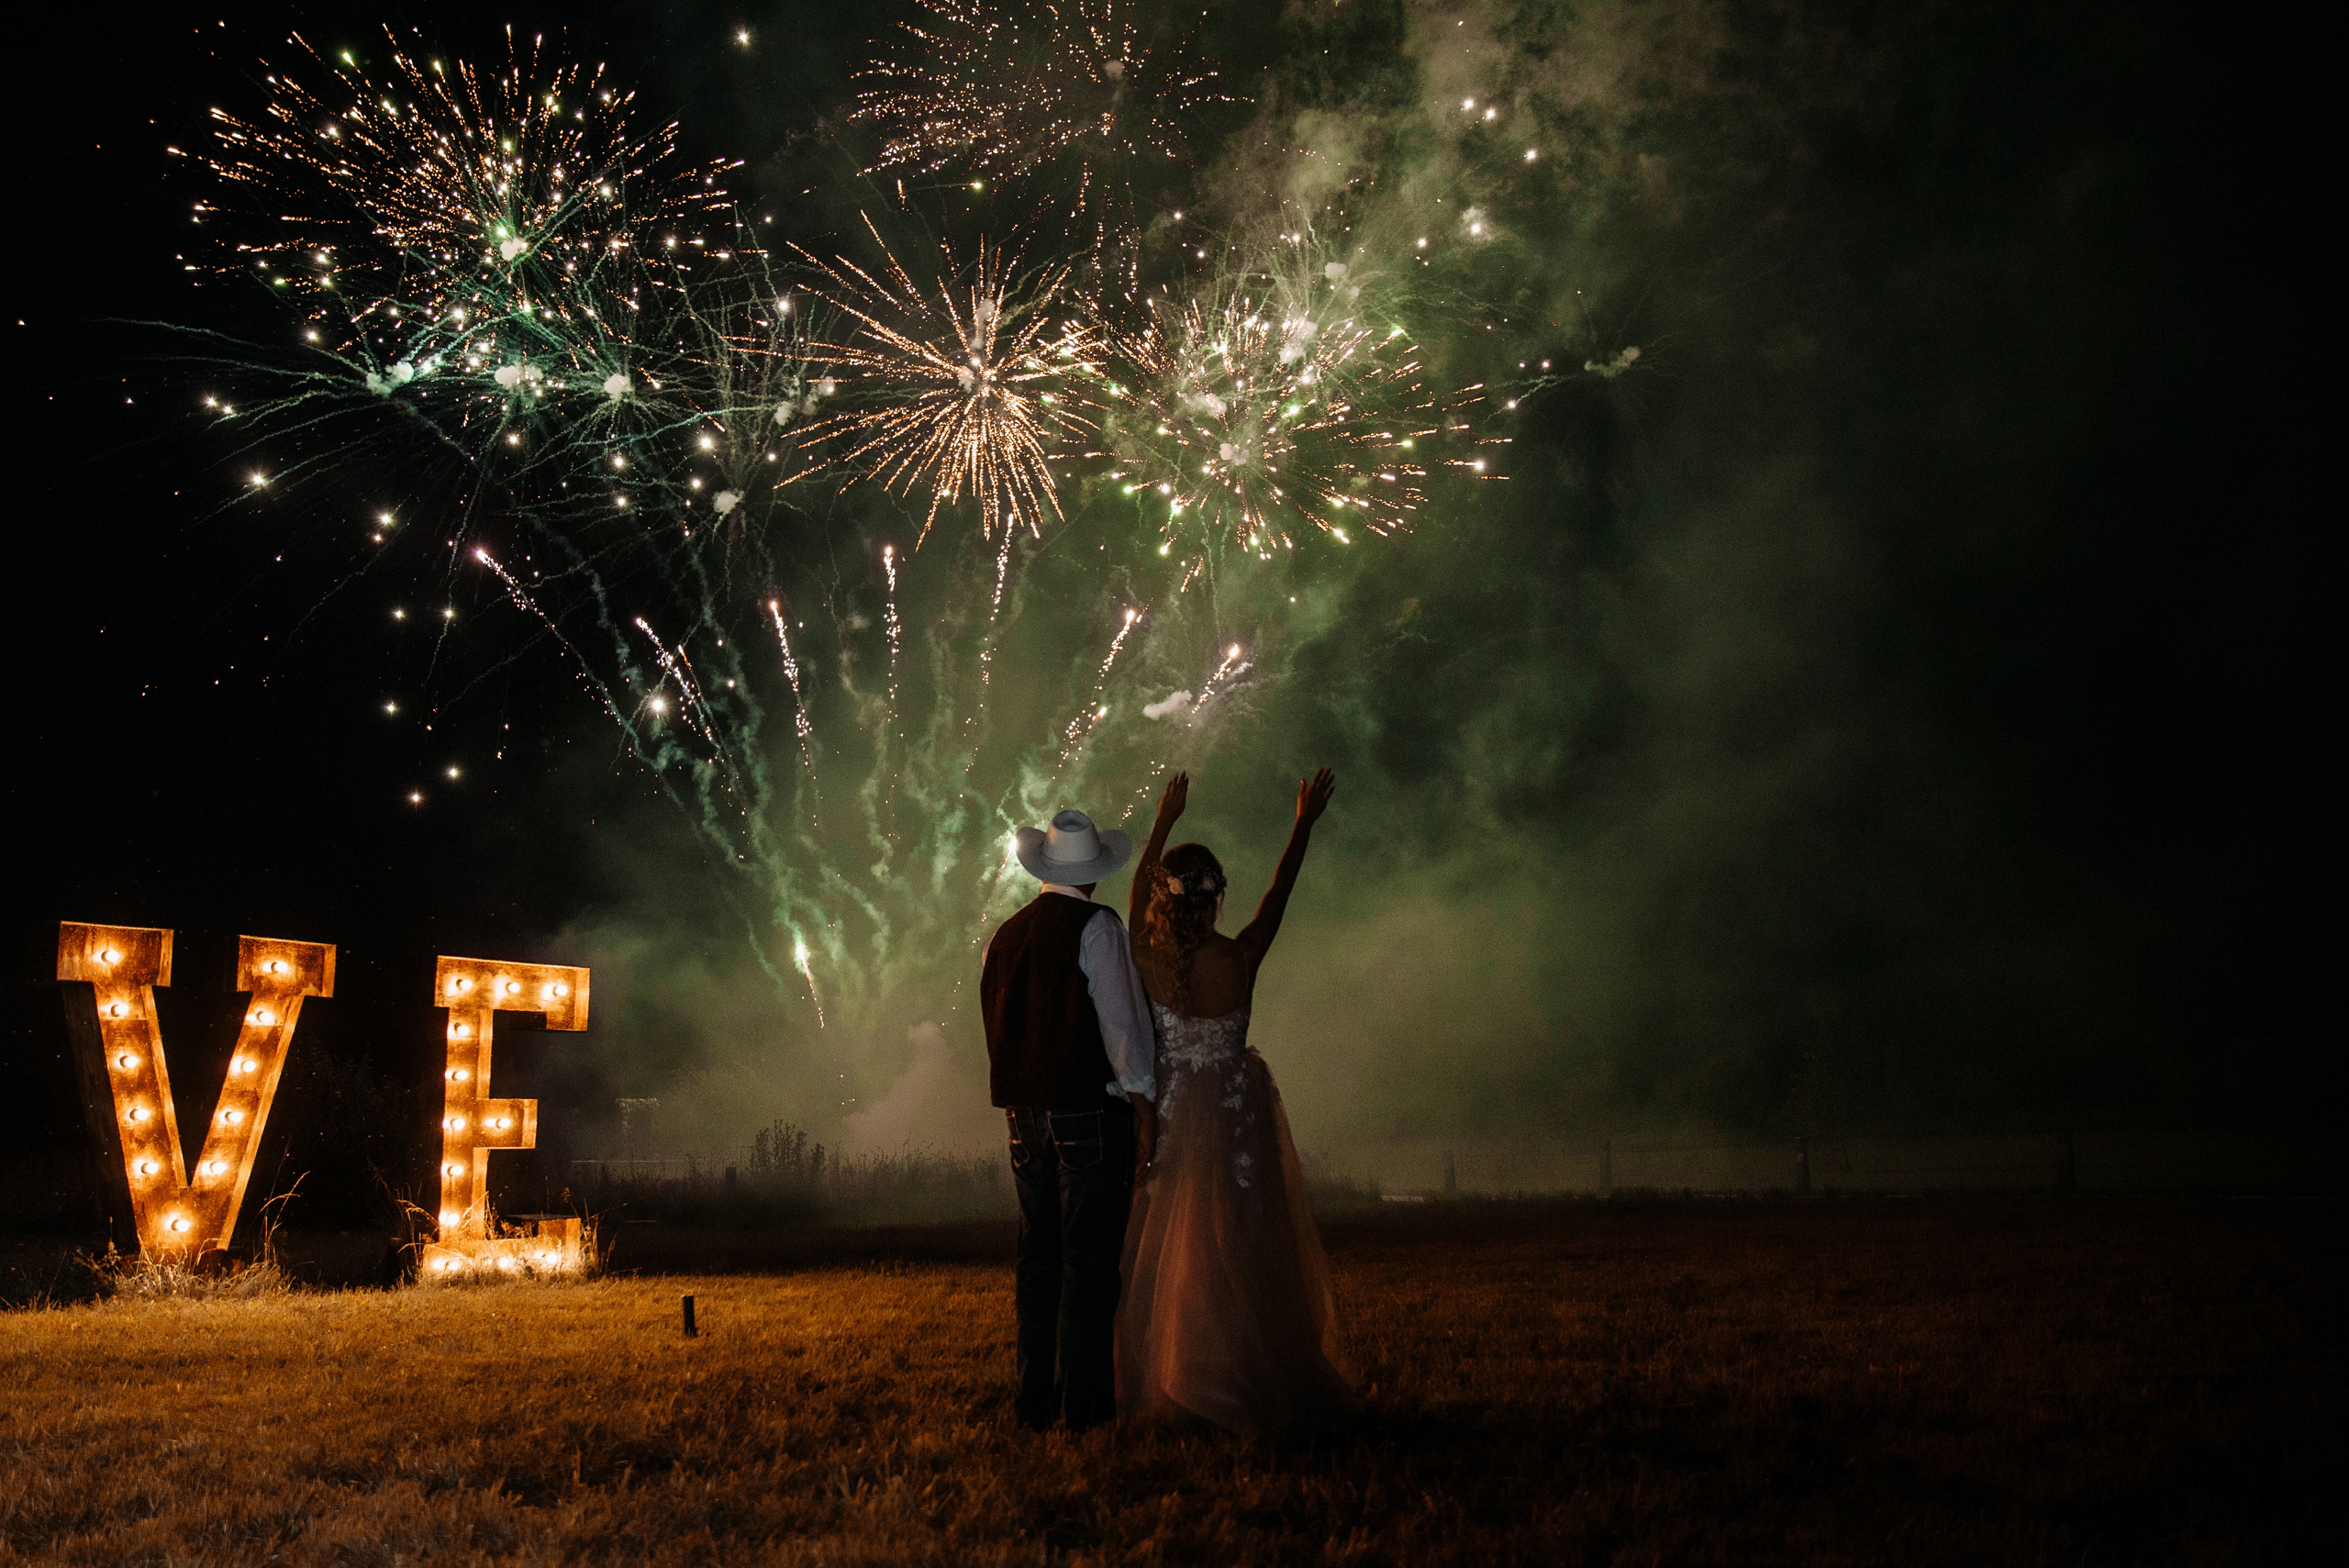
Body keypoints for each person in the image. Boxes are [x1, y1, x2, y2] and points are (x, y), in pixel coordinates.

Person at [1117, 768, 1362, 1432]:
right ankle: (1243, 1366)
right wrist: (1302, 824)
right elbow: (1280, 894)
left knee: (1168, 1247)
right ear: (1218, 899)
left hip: (1171, 1116)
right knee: (1241, 1242)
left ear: (1165, 900)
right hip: (1231, 1112)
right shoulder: (1243, 957)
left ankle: (1177, 1370)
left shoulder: (1144, 955)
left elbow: (1136, 888)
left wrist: (1164, 820)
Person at [980, 807, 1159, 1432]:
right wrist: (1143, 1101)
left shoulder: (1005, 935)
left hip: (1023, 1115)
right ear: (1095, 873)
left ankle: (1033, 1399)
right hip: (1087, 1110)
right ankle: (1082, 1405)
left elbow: (996, 1028)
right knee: (1088, 1263)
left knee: (1038, 1259)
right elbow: (1122, 1025)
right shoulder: (1099, 928)